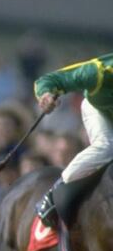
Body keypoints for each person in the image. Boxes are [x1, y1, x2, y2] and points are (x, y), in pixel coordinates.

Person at [35, 54, 113, 227]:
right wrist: (46, 94)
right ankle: (55, 191)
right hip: (98, 110)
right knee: (107, 147)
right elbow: (49, 80)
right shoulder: (98, 71)